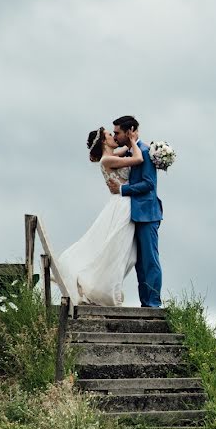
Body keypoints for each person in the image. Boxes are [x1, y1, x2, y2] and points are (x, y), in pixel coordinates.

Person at [53, 126, 144, 306]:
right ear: (104, 140)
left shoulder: (114, 155)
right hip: (121, 205)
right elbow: (138, 158)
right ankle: (104, 289)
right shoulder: (107, 159)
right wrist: (133, 142)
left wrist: (133, 137)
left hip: (121, 203)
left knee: (124, 251)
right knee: (119, 249)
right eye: (110, 135)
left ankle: (107, 287)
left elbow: (127, 148)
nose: (113, 136)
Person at [106, 115, 164, 308]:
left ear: (129, 131)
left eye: (118, 132)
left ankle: (153, 304)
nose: (115, 136)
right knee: (139, 263)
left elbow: (148, 184)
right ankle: (145, 303)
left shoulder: (146, 152)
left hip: (147, 213)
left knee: (150, 260)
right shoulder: (131, 151)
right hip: (133, 214)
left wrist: (123, 190)